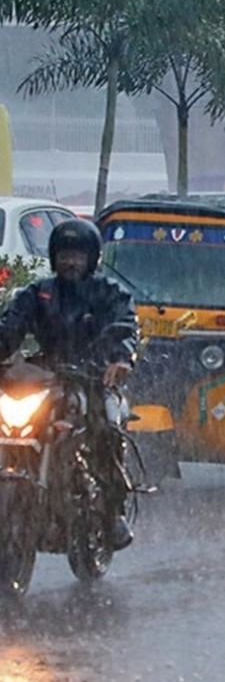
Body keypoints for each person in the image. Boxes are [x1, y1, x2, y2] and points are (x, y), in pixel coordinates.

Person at [0, 219, 138, 550]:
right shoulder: (38, 294)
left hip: (94, 378)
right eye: (64, 255)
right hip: (48, 375)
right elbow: (10, 327)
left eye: (77, 255)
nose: (70, 262)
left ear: (91, 259)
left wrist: (120, 359)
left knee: (107, 427)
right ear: (53, 257)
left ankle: (112, 511)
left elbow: (124, 325)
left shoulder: (108, 293)